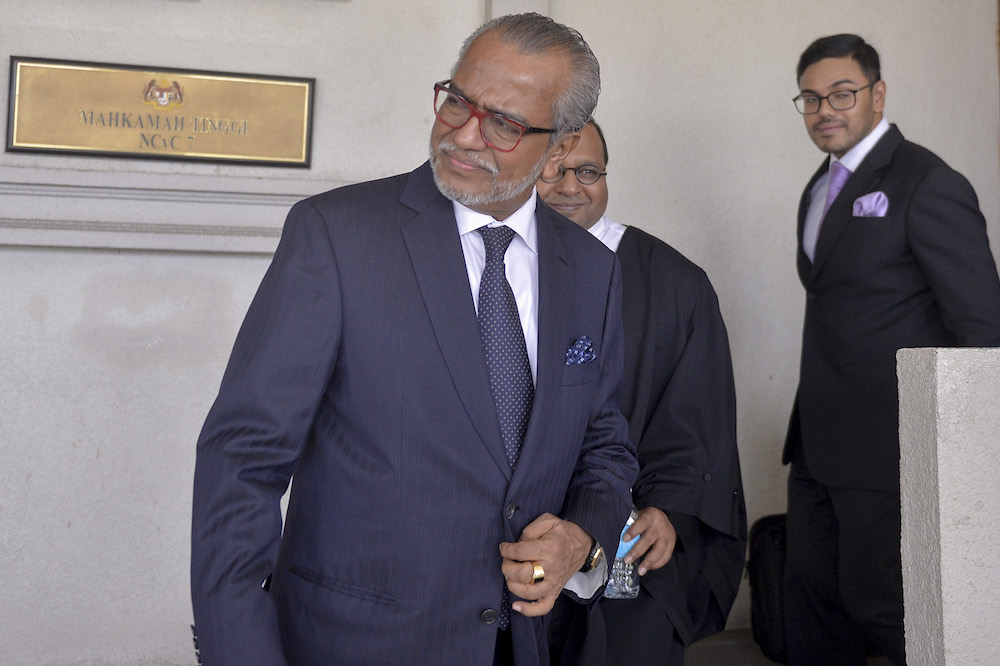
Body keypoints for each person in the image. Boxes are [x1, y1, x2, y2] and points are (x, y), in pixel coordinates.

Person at [190, 13, 638, 666]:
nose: (462, 133)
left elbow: (605, 445)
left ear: (563, 143)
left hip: (523, 646)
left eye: (504, 122)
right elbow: (241, 462)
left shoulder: (593, 270)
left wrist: (582, 541)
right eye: (457, 100)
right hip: (351, 646)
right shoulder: (336, 236)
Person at [783, 34, 1000, 665]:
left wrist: (962, 460)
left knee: (885, 609)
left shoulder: (926, 182)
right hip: (819, 442)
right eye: (812, 98)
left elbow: (984, 327)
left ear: (877, 95)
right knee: (812, 607)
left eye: (843, 93)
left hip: (896, 444)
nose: (826, 108)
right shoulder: (819, 186)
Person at [538, 120, 747, 665]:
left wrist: (672, 510)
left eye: (588, 171)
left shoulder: (673, 283)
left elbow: (700, 415)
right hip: (514, 540)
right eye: (551, 169)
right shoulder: (493, 266)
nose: (569, 185)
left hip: (632, 536)